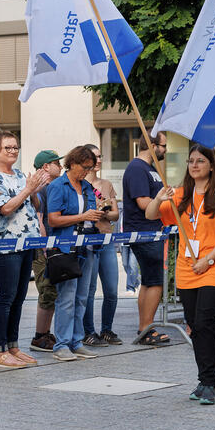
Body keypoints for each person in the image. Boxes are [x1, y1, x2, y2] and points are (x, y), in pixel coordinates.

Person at [147, 144, 215, 406]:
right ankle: (203, 379)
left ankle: (211, 381)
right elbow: (151, 215)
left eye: (200, 161)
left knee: (204, 321)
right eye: (191, 161)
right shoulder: (181, 194)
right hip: (188, 268)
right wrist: (158, 198)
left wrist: (209, 258)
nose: (194, 165)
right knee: (194, 325)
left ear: (211, 165)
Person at [0, 131, 50, 368]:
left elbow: (33, 205)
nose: (13, 151)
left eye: (16, 147)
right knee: (6, 297)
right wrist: (27, 189)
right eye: (8, 148)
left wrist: (32, 190)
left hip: (27, 241)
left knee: (19, 297)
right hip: (6, 244)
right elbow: (5, 208)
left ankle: (12, 346)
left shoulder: (20, 174)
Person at [46, 146, 103, 361]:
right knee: (67, 298)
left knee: (82, 298)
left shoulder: (87, 186)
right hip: (65, 248)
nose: (86, 172)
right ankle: (61, 344)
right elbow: (53, 219)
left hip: (87, 245)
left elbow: (96, 205)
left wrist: (97, 213)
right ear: (72, 163)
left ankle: (76, 341)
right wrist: (82, 216)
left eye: (90, 168)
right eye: (84, 167)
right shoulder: (58, 186)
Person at [123, 133, 172, 346]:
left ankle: (145, 326)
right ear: (152, 146)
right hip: (144, 231)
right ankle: (147, 328)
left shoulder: (150, 169)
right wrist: (166, 203)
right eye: (163, 146)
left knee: (149, 281)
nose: (165, 150)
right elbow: (143, 203)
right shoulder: (136, 169)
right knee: (155, 282)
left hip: (152, 230)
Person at [81, 143, 121, 348]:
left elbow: (115, 213)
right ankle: (88, 331)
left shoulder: (106, 184)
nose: (98, 160)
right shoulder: (78, 184)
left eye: (100, 156)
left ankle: (107, 329)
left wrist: (102, 212)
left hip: (106, 239)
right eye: (93, 157)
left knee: (112, 290)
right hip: (88, 241)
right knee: (89, 289)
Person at [29, 149, 62, 351]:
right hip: (43, 247)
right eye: (56, 162)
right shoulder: (40, 188)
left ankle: (46, 332)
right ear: (46, 167)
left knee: (52, 290)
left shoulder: (51, 187)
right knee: (47, 289)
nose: (60, 165)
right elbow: (39, 219)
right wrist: (45, 247)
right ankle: (39, 337)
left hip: (50, 245)